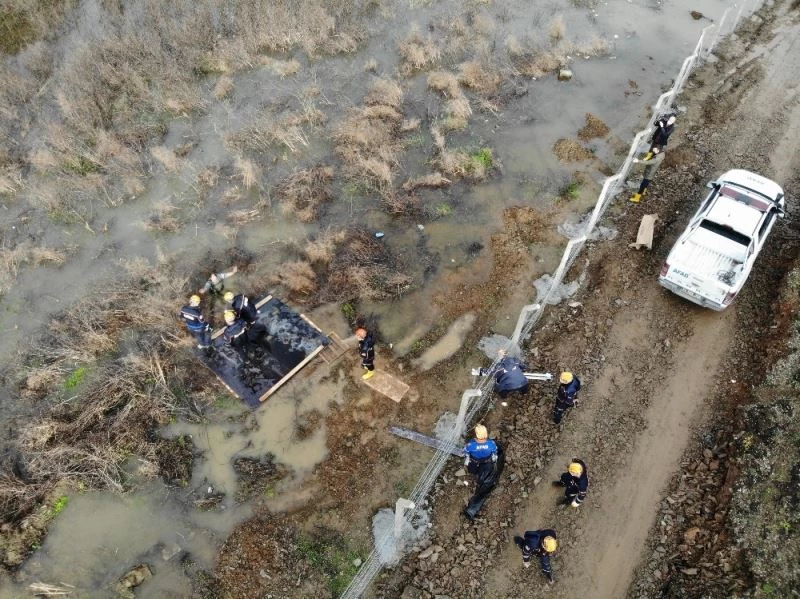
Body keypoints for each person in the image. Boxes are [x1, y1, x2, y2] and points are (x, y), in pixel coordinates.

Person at [463, 424, 504, 520]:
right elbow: (494, 454)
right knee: (485, 473)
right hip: (486, 463)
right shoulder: (491, 444)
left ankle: (474, 474)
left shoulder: (471, 445)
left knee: (472, 470)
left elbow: (466, 452)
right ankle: (480, 477)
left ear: (477, 435)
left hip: (474, 462)